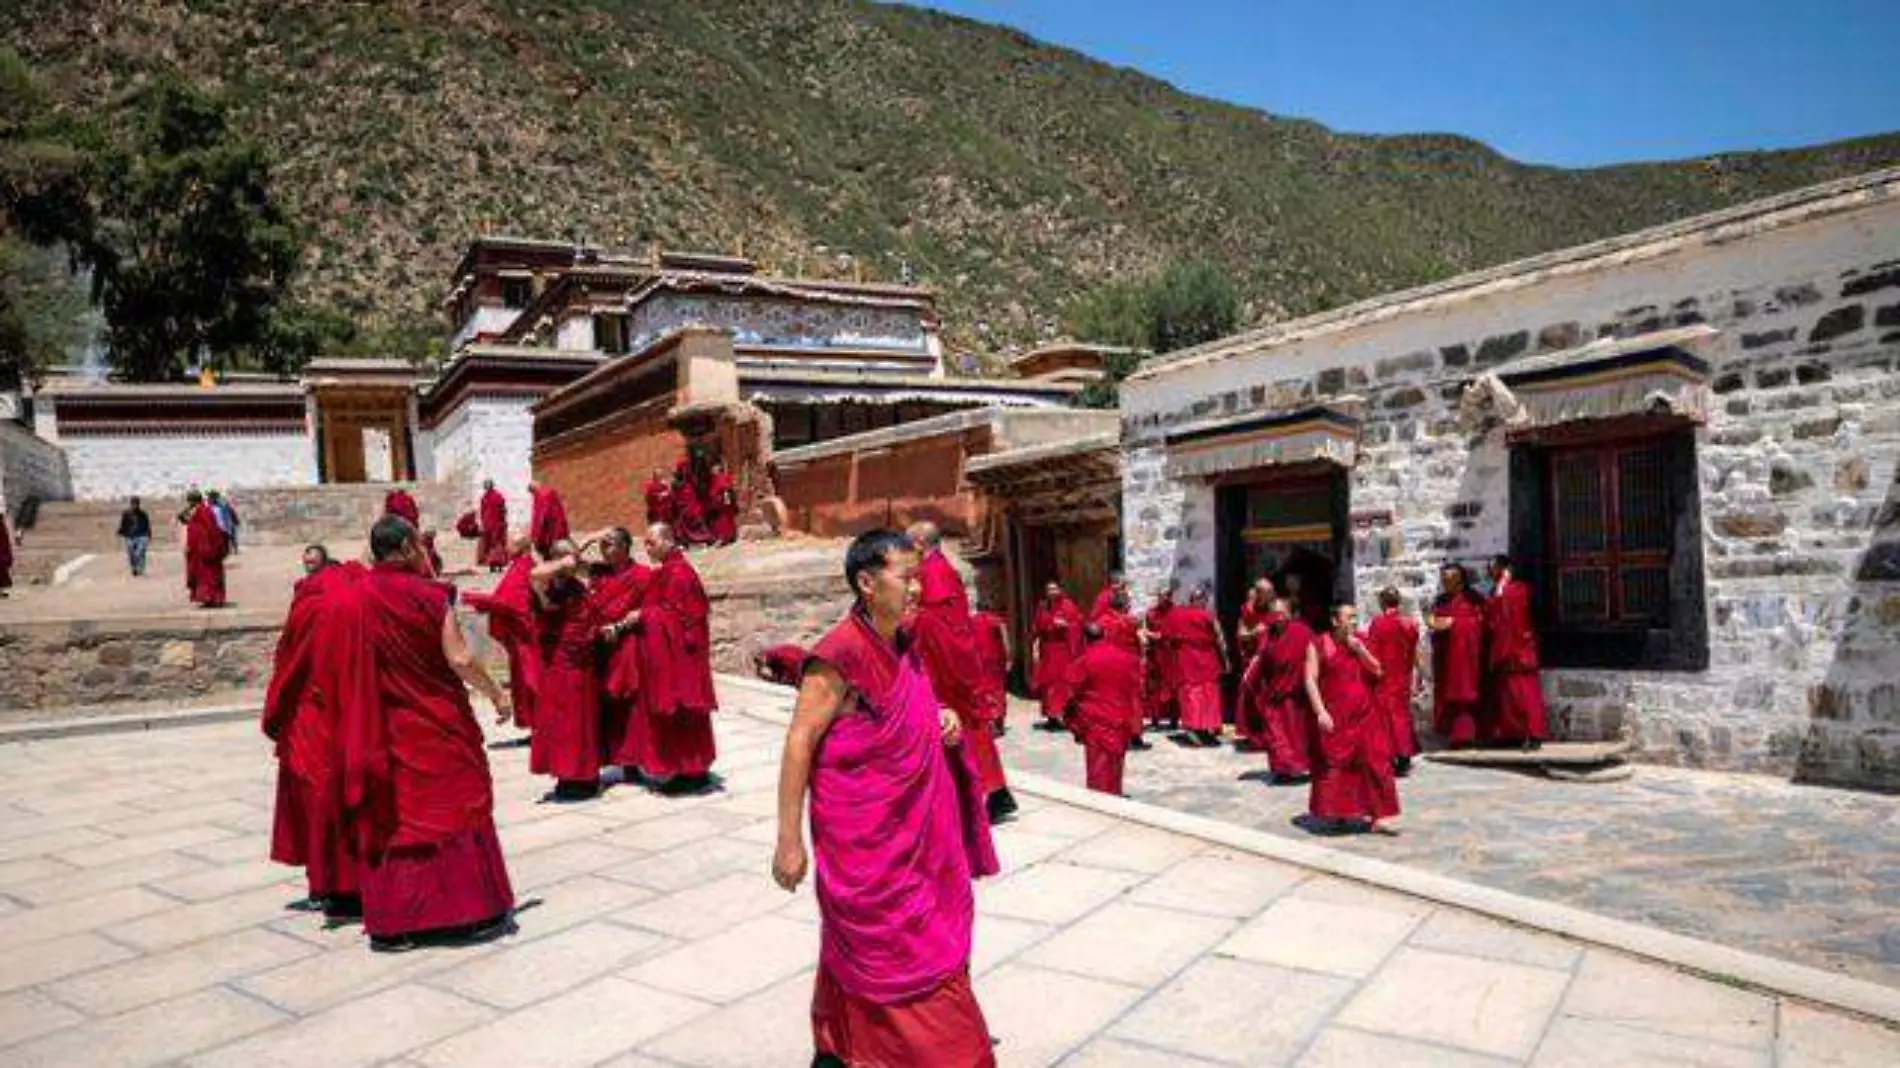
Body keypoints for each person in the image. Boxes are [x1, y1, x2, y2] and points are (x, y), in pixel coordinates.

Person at [771, 529, 999, 1068]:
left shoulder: (904, 641)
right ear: (867, 582)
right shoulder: (838, 654)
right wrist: (788, 841)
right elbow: (800, 741)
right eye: (907, 576)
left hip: (921, 838)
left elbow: (909, 705)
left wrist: (940, 720)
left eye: (919, 577)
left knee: (870, 945)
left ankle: (839, 1046)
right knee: (901, 950)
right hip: (867, 838)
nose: (918, 589)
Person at [335, 515, 517, 952]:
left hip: (383, 727)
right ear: (406, 548)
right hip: (434, 721)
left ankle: (394, 925)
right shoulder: (428, 595)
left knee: (395, 817)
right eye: (417, 544)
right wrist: (496, 692)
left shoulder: (354, 596)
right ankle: (468, 913)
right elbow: (457, 656)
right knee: (455, 807)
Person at [263, 544, 363, 921]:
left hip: (311, 716)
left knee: (318, 802)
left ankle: (326, 886)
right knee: (348, 798)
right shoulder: (357, 599)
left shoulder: (309, 606)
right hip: (354, 712)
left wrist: (275, 715)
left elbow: (287, 664)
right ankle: (353, 884)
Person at [906, 521, 1015, 822]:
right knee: (971, 733)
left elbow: (944, 627)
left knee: (967, 732)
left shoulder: (935, 573)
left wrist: (914, 621)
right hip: (948, 667)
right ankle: (993, 793)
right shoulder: (934, 571)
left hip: (948, 672)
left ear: (918, 545)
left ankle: (988, 795)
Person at [623, 523, 719, 792]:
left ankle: (693, 771)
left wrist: (643, 616)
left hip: (682, 660)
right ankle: (684, 769)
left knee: (684, 713)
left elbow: (681, 620)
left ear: (667, 541)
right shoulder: (668, 571)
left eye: (651, 543)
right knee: (677, 717)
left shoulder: (679, 574)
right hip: (673, 658)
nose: (648, 549)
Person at [1304, 603, 1400, 835]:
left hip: (1366, 714)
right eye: (1350, 617)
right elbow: (1310, 679)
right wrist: (1320, 712)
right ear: (1336, 621)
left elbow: (1377, 670)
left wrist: (1360, 650)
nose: (1355, 622)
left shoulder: (1360, 641)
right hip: (1337, 716)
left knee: (1375, 763)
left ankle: (1378, 817)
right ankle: (1341, 812)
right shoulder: (1319, 644)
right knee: (1339, 766)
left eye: (1356, 617)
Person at [528, 536, 606, 800]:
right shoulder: (547, 586)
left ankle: (587, 774)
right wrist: (562, 563)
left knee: (585, 719)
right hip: (563, 663)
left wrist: (589, 542)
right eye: (570, 559)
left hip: (583, 661)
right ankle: (569, 776)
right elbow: (535, 573)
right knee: (566, 721)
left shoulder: (576, 584)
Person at [464, 537, 539, 735]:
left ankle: (542, 731)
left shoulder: (525, 568)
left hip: (525, 637)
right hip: (517, 637)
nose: (507, 546)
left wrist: (475, 598)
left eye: (512, 543)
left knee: (532, 683)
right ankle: (534, 730)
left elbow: (513, 604)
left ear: (524, 547)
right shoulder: (517, 566)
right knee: (522, 684)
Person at [591, 528, 652, 771]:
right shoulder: (598, 575)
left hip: (629, 646)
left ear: (626, 547)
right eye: (602, 545)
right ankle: (620, 759)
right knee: (609, 705)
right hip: (602, 647)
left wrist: (624, 623)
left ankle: (637, 760)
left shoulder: (643, 575)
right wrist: (588, 540)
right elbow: (567, 558)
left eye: (611, 544)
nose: (605, 549)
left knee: (632, 704)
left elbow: (652, 609)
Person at [1064, 621, 1144, 795]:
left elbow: (1070, 689)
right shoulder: (1126, 657)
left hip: (1096, 718)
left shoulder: (1084, 660)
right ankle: (1115, 792)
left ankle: (1100, 798)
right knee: (1116, 761)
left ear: (1085, 639)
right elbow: (1137, 685)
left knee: (1097, 764)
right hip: (1121, 716)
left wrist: (1071, 716)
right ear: (1104, 635)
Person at [1248, 595, 1315, 784]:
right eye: (1274, 613)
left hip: (1296, 693)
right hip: (1275, 691)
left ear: (1289, 613)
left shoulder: (1302, 632)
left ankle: (1300, 765)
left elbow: (1314, 656)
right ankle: (1282, 768)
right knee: (1276, 732)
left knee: (1298, 734)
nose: (1278, 617)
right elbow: (1260, 657)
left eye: (1281, 613)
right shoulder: (1267, 634)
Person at [1483, 556, 1548, 748]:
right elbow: (1493, 618)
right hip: (1503, 649)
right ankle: (1511, 734)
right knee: (1506, 697)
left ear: (1505, 569)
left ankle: (1534, 734)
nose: (1490, 572)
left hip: (1519, 650)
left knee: (1526, 695)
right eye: (1489, 569)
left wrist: (1502, 589)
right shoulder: (1497, 591)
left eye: (1493, 568)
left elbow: (1513, 616)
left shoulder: (1519, 590)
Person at [1365, 587, 1422, 775]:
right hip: (1403, 677)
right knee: (1402, 715)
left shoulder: (1378, 624)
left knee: (1386, 718)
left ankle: (1394, 755)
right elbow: (1414, 652)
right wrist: (1416, 675)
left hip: (1383, 677)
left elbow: (1371, 652)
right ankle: (1404, 755)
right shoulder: (1410, 624)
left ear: (1382, 602)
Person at [1427, 563, 1485, 748]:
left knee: (1464, 693)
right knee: (1446, 694)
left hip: (1467, 657)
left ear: (1459, 580)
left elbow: (1482, 623)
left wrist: (1455, 623)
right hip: (1445, 655)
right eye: (1443, 579)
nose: (1444, 583)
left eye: (1448, 579)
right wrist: (1432, 622)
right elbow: (1432, 618)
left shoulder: (1473, 599)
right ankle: (1451, 733)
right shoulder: (1441, 600)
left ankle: (1466, 736)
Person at [1170, 586, 1230, 746]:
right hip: (1207, 660)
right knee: (1208, 693)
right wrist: (1226, 660)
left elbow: (1170, 638)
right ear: (1202, 600)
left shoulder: (1178, 615)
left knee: (1191, 694)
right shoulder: (1208, 616)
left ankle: (1194, 727)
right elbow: (1220, 640)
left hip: (1187, 660)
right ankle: (1203, 728)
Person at [1030, 582, 1084, 729]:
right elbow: (1036, 625)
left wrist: (1067, 625)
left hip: (1063, 650)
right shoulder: (1042, 606)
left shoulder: (1068, 605)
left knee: (1063, 682)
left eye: (1054, 589)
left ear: (1060, 590)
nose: (1052, 592)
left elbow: (1078, 623)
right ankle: (1051, 716)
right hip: (1048, 649)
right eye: (1049, 589)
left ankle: (1065, 714)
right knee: (1049, 683)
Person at [1233, 579, 1278, 750]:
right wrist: (1254, 632)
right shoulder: (1248, 610)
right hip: (1254, 658)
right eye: (1266, 592)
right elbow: (1240, 634)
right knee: (1252, 697)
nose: (1269, 595)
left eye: (1271, 592)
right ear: (1258, 593)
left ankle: (1272, 734)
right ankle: (1254, 736)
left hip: (1273, 659)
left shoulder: (1276, 608)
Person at [1141, 582, 1182, 731]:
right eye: (1161, 595)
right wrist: (1148, 636)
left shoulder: (1177, 612)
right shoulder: (1151, 613)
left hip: (1171, 655)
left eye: (1167, 596)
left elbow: (1179, 634)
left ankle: (1173, 720)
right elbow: (1145, 629)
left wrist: (1161, 636)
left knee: (1173, 687)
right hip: (1155, 654)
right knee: (1154, 687)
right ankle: (1155, 719)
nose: (1164, 598)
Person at [183, 490, 230, 608]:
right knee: (204, 576)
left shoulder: (204, 511)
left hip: (206, 549)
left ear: (193, 501)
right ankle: (208, 599)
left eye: (190, 501)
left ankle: (211, 598)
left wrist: (206, 547)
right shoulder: (200, 511)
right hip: (199, 549)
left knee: (208, 576)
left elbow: (209, 530)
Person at [970, 604, 1011, 735]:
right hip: (995, 660)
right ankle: (999, 722)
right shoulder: (996, 620)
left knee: (985, 690)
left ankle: (989, 721)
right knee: (998, 689)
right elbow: (1005, 640)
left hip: (979, 661)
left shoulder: (971, 621)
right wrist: (1009, 657)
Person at [528, 481, 570, 559]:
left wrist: (536, 534)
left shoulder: (542, 496)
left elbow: (542, 515)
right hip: (557, 527)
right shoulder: (548, 493)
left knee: (549, 553)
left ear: (534, 490)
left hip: (549, 531)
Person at [477, 480, 509, 572]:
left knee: (495, 544)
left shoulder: (496, 496)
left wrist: (503, 522)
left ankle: (497, 565)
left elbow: (502, 510)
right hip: (490, 524)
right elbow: (483, 512)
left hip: (496, 524)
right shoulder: (485, 497)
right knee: (493, 545)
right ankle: (493, 564)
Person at [706, 459, 740, 546]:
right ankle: (728, 536)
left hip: (723, 503)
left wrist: (726, 500)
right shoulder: (714, 479)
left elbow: (726, 489)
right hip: (718, 503)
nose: (712, 470)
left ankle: (727, 537)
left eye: (714, 469)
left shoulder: (721, 478)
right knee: (723, 520)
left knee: (726, 520)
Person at [117, 496, 152, 577]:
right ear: (131, 504)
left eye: (137, 504)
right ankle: (134, 568)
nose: (135, 506)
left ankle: (141, 569)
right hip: (129, 536)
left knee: (140, 552)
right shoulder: (126, 513)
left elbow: (147, 525)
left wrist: (149, 534)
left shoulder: (143, 514)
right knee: (131, 553)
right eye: (133, 504)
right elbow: (123, 524)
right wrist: (120, 532)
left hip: (141, 535)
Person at [642, 467, 674, 532]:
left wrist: (668, 489)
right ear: (655, 476)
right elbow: (649, 498)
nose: (660, 476)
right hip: (656, 517)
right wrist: (662, 494)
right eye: (659, 475)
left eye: (661, 475)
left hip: (666, 517)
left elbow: (671, 497)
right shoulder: (651, 487)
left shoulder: (665, 486)